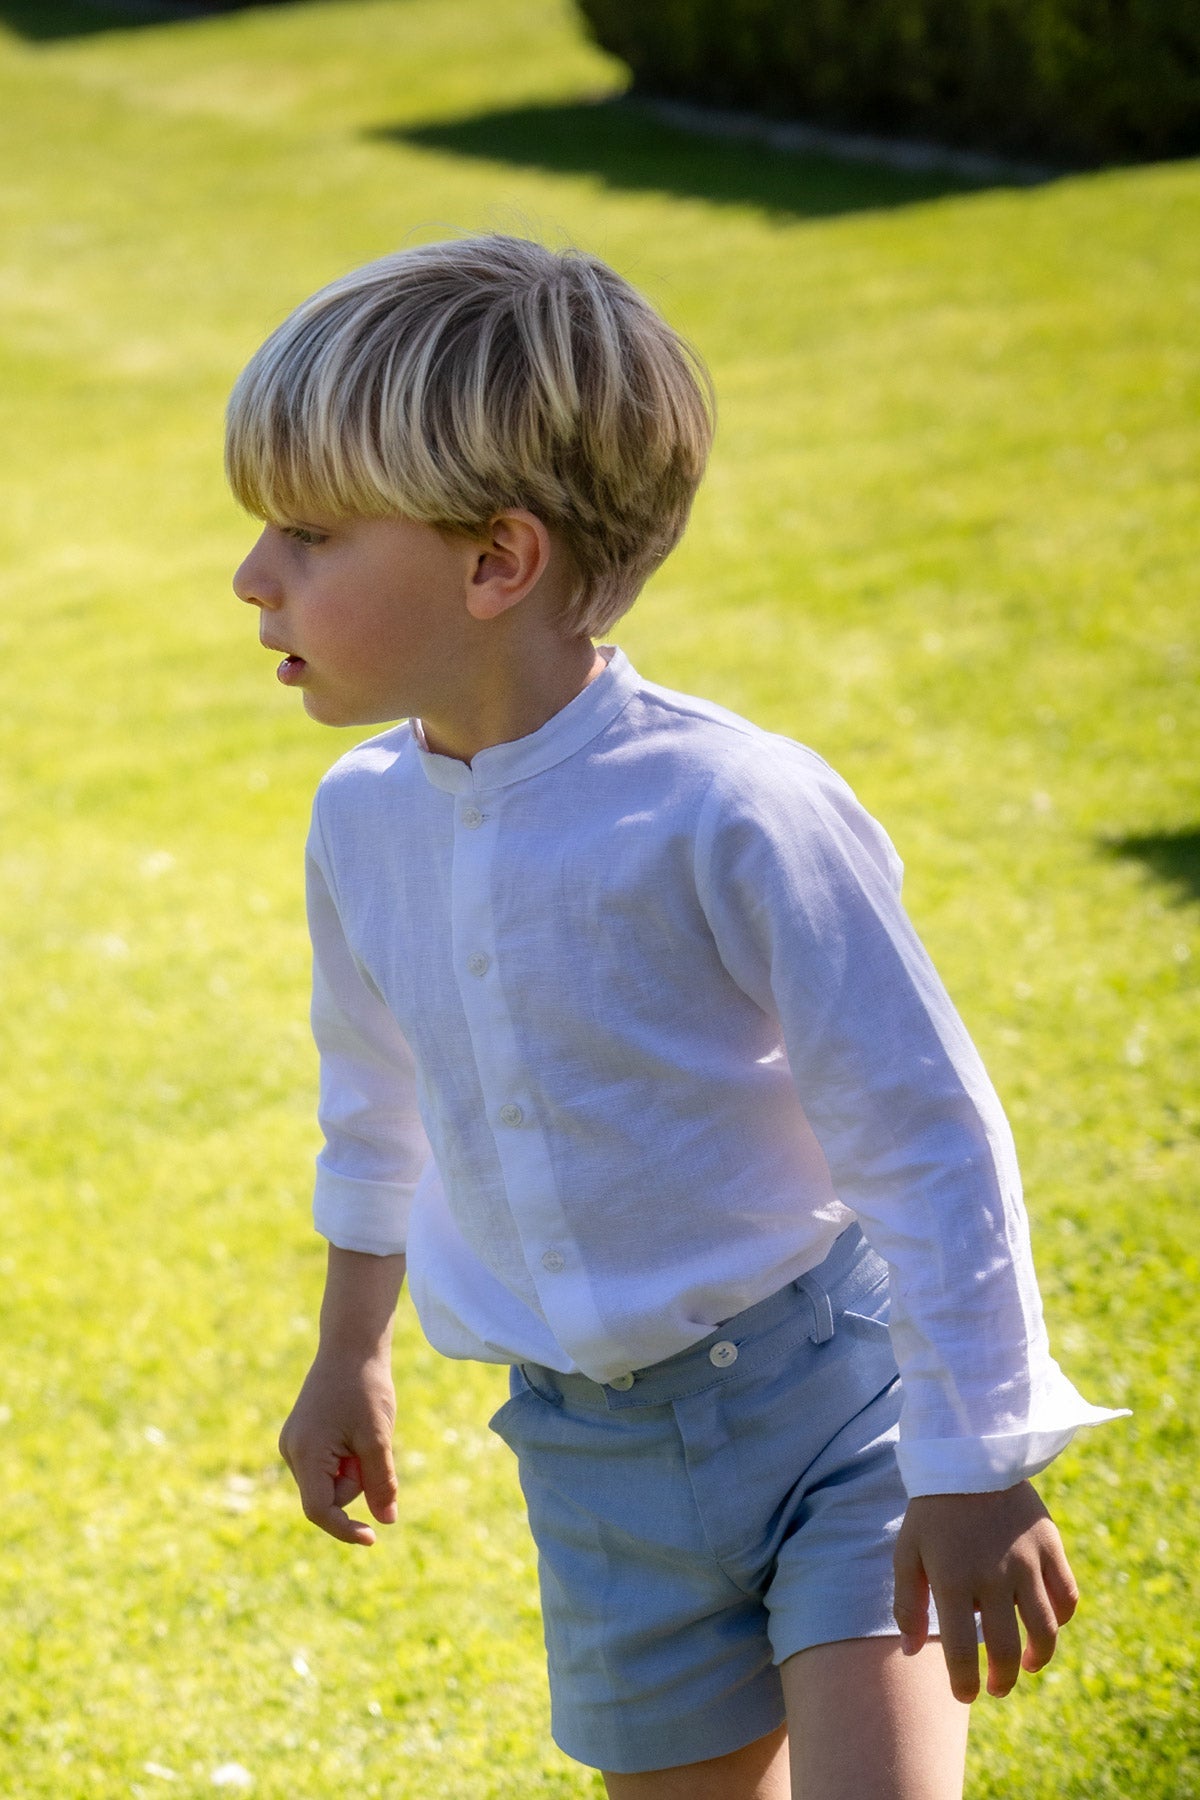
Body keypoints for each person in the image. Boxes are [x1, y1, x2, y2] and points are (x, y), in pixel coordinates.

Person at [227, 233, 1123, 1800]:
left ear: (496, 563)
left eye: (306, 534)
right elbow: (374, 1113)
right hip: (592, 1468)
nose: (253, 576)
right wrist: (346, 1352)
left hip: (834, 1416)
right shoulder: (358, 821)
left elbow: (923, 1130)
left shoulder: (734, 809)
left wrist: (974, 1457)